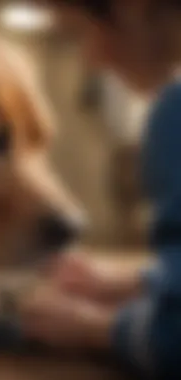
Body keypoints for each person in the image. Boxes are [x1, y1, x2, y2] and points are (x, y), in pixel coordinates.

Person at [22, 1, 181, 379]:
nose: (91, 60)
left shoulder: (175, 116)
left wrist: (94, 328)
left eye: (81, 33)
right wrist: (137, 284)